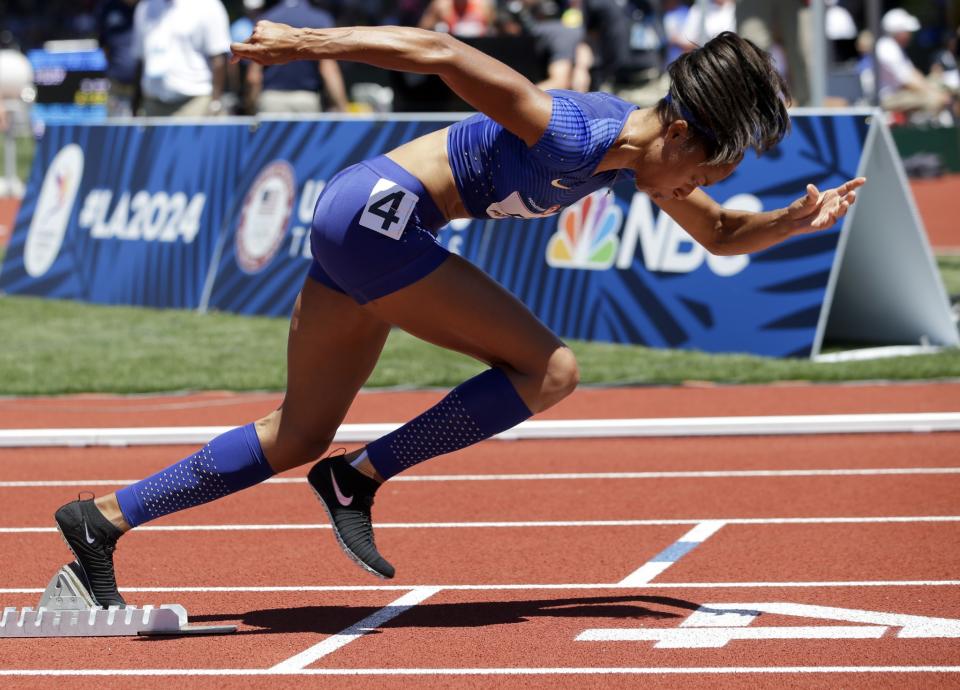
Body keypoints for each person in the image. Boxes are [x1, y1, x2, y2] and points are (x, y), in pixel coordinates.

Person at [54, 25, 863, 605]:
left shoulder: (626, 159)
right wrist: (307, 45)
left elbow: (721, 236)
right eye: (707, 168)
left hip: (360, 225)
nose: (698, 187)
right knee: (551, 370)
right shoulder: (572, 132)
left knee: (298, 433)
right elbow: (442, 53)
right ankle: (357, 476)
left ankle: (101, 520)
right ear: (679, 132)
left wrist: (791, 223)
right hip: (380, 217)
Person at [130, 0, 232, 117]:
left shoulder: (208, 5)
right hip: (152, 103)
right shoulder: (144, 7)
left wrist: (215, 103)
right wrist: (136, 103)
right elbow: (141, 60)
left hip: (194, 102)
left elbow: (219, 59)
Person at [246, 0, 350, 114]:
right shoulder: (319, 19)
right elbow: (329, 70)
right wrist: (342, 108)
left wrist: (250, 108)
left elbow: (254, 76)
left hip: (271, 101)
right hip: (306, 101)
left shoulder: (265, 20)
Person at [875, 8, 951, 121]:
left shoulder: (894, 47)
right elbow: (908, 82)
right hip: (890, 98)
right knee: (935, 100)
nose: (910, 34)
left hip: (902, 93)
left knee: (939, 84)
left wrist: (933, 88)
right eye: (907, 31)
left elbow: (913, 73)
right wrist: (935, 94)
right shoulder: (886, 49)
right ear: (898, 32)